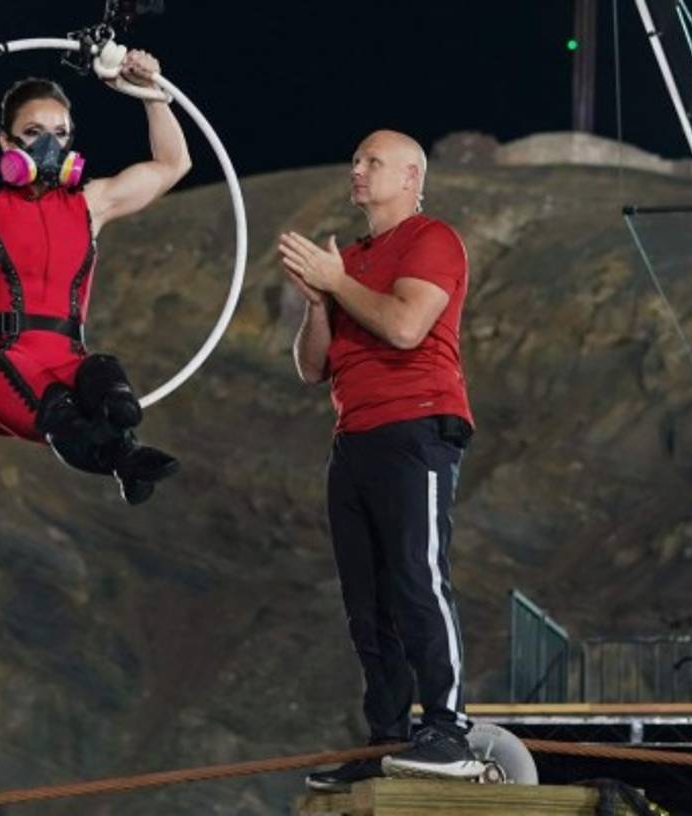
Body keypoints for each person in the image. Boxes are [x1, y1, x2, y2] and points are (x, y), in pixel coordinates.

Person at [0, 47, 190, 505]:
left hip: (71, 361)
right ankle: (123, 459)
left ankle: (124, 452)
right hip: (3, 365)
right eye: (33, 132)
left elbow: (173, 165)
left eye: (59, 133)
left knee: (114, 393)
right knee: (64, 417)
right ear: (6, 142)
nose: (49, 144)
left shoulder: (90, 204)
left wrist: (150, 93)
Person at [278, 130, 482, 790]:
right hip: (354, 435)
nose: (358, 170)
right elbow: (312, 368)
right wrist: (319, 302)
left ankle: (448, 729)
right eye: (356, 160)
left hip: (416, 426)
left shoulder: (432, 239)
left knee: (417, 576)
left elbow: (404, 327)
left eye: (373, 161)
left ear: (412, 176)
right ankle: (388, 738)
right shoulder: (349, 259)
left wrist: (337, 282)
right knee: (365, 601)